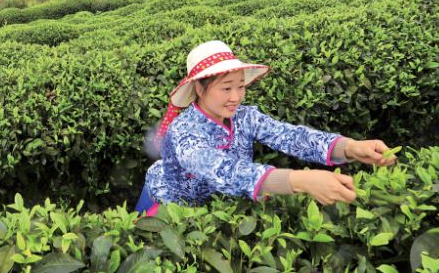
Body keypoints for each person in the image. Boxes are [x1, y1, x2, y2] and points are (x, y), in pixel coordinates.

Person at [135, 41, 396, 216]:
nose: (236, 96)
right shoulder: (184, 132)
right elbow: (220, 169)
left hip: (217, 207)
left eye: (241, 86)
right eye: (226, 88)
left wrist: (350, 147)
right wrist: (299, 181)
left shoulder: (244, 116)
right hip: (168, 206)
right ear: (200, 89)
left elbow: (290, 136)